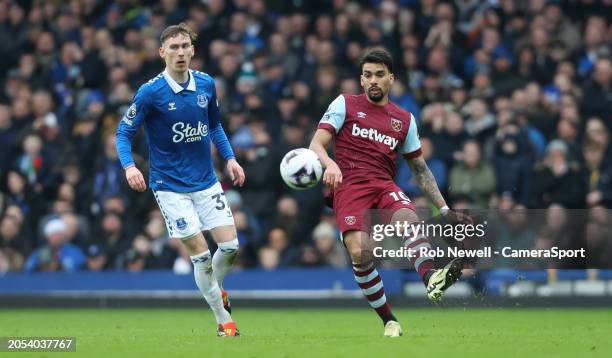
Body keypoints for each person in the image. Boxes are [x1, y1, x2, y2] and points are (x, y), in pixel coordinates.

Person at [309, 49, 470, 337]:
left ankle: (432, 278)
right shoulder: (344, 103)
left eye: (380, 75)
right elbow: (316, 145)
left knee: (409, 218)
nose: (374, 80)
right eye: (368, 74)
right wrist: (330, 164)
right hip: (350, 185)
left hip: (384, 184)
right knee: (360, 251)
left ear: (391, 79)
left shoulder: (404, 119)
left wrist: (445, 211)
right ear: (361, 79)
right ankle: (389, 319)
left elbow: (420, 170)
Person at [115, 23, 245, 337]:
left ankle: (216, 287)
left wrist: (230, 158)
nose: (180, 52)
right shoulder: (150, 92)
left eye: (185, 46)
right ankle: (223, 320)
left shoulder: (206, 84)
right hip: (169, 186)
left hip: (206, 181)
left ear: (192, 50)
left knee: (230, 248)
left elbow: (214, 127)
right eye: (173, 47)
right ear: (162, 53)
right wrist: (130, 166)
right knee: (200, 255)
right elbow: (123, 133)